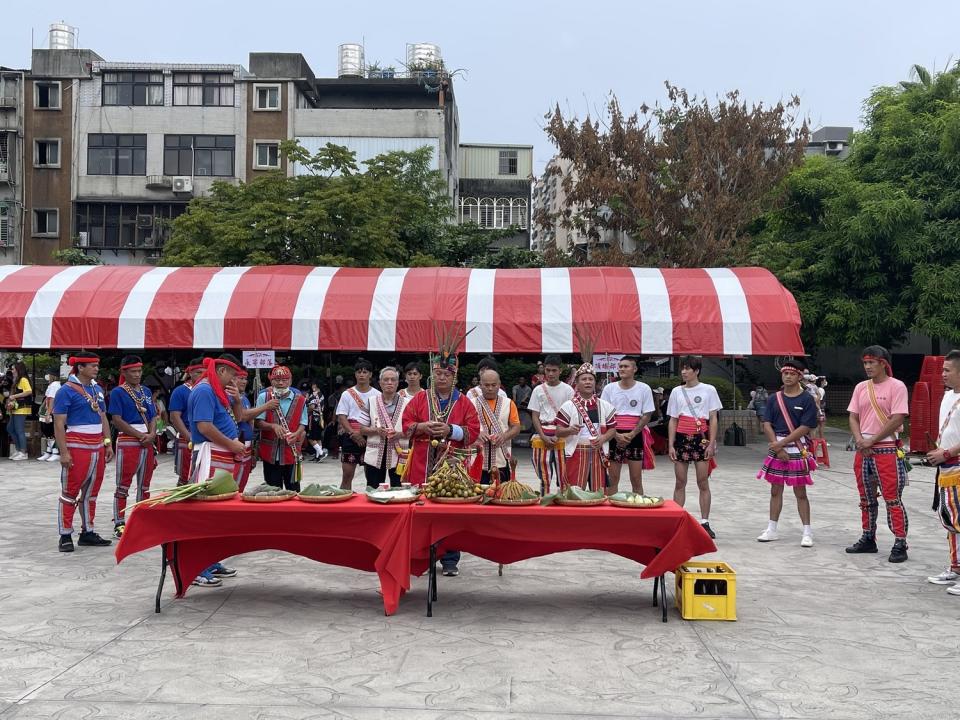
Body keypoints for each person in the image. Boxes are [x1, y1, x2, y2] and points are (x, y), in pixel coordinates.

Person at [402, 338, 480, 576]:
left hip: (453, 460)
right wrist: (423, 427)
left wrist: (451, 430)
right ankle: (421, 558)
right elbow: (406, 426)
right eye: (437, 373)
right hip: (422, 459)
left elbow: (474, 431)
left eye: (446, 374)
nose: (442, 377)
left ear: (454, 375)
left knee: (450, 511)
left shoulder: (464, 402)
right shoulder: (420, 399)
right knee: (421, 509)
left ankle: (449, 559)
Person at [846, 345, 910, 562]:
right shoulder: (861, 387)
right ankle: (868, 537)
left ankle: (900, 541)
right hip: (863, 449)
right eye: (865, 363)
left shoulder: (897, 386)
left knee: (892, 498)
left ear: (883, 363)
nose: (867, 367)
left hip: (886, 448)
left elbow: (898, 418)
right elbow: (853, 416)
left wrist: (871, 440)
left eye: (871, 362)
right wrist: (859, 440)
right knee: (865, 497)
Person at [186, 354, 244, 587]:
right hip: (211, 454)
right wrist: (231, 444)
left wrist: (238, 400)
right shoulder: (204, 390)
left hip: (222, 454)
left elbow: (237, 420)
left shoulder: (218, 392)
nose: (234, 380)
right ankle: (196, 567)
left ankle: (210, 560)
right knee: (205, 511)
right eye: (232, 374)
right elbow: (204, 426)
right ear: (221, 371)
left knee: (217, 512)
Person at [52, 353, 114, 552]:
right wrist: (63, 452)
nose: (96, 368)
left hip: (97, 445)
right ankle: (65, 534)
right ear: (80, 367)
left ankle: (87, 531)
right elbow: (59, 423)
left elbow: (103, 416)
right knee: (70, 491)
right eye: (92, 365)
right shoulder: (66, 391)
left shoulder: (97, 388)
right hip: (77, 444)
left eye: (97, 365)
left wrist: (108, 442)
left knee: (91, 493)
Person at [755, 358, 817, 547]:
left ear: (799, 376)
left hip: (796, 447)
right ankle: (771, 528)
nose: (788, 376)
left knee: (800, 491)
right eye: (785, 373)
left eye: (792, 374)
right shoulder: (775, 398)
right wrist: (777, 445)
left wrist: (781, 444)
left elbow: (806, 426)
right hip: (777, 445)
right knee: (775, 490)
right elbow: (766, 423)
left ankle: (807, 531)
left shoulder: (807, 399)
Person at [667, 356, 722, 539]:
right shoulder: (676, 391)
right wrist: (671, 444)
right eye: (682, 369)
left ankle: (704, 522)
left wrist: (712, 443)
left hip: (701, 439)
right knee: (680, 481)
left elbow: (713, 418)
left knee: (702, 481)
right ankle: (675, 519)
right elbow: (673, 419)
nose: (683, 372)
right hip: (682, 438)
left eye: (687, 369)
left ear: (696, 371)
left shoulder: (709, 390)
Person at [108, 356, 158, 538]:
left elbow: (153, 416)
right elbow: (117, 420)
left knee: (145, 485)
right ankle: (119, 522)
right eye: (133, 372)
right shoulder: (118, 392)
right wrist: (140, 436)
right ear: (124, 372)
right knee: (123, 485)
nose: (137, 375)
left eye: (139, 371)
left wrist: (152, 435)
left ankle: (142, 519)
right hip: (129, 440)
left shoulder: (145, 390)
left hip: (147, 439)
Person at [926, 350, 960, 594]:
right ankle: (956, 567)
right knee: (949, 519)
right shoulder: (947, 396)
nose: (943, 374)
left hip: (956, 464)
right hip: (945, 468)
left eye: (948, 370)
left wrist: (946, 453)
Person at [554, 360, 617, 493]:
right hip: (576, 452)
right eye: (584, 379)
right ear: (577, 383)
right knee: (574, 493)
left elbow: (613, 429)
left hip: (598, 453)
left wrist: (604, 438)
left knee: (599, 493)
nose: (588, 382)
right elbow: (558, 431)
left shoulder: (604, 406)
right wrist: (569, 430)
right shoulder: (568, 406)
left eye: (590, 379)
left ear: (595, 383)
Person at [600, 356, 655, 495]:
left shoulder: (644, 388)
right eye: (620, 366)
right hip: (613, 434)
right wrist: (616, 435)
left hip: (634, 436)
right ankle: (609, 513)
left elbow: (647, 415)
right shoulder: (609, 388)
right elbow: (603, 415)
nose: (622, 369)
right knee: (612, 478)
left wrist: (632, 434)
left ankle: (638, 511)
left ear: (634, 369)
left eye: (626, 366)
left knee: (636, 479)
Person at [255, 365, 308, 492]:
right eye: (277, 379)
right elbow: (258, 422)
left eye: (284, 379)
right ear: (271, 380)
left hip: (291, 452)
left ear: (290, 380)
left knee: (294, 491)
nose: (280, 383)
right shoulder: (264, 397)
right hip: (270, 454)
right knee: (273, 491)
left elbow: (303, 422)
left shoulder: (300, 399)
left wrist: (297, 433)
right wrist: (272, 426)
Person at [528, 354, 574, 494]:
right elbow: (535, 415)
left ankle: (564, 505)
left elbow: (572, 415)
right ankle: (544, 503)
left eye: (554, 370)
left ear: (560, 371)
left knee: (564, 475)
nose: (550, 373)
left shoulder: (568, 390)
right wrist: (542, 436)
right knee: (544, 475)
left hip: (562, 435)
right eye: (548, 370)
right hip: (542, 433)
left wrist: (558, 434)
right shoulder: (538, 390)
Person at [361, 366, 411, 488]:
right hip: (375, 454)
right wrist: (376, 430)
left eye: (393, 380)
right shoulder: (370, 401)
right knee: (373, 489)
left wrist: (398, 434)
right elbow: (362, 428)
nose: (389, 382)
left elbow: (413, 430)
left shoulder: (408, 403)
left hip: (399, 454)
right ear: (380, 383)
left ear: (398, 383)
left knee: (399, 490)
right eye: (386, 379)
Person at [336, 359, 381, 490]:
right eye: (359, 372)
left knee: (372, 476)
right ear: (355, 374)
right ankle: (343, 502)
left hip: (371, 436)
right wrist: (352, 434)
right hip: (350, 436)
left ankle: (371, 503)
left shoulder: (377, 394)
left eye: (365, 372)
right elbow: (342, 416)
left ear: (370, 375)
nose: (362, 375)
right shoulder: (347, 394)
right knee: (347, 475)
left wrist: (365, 432)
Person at [471, 368, 522, 484]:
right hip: (477, 459)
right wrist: (477, 433)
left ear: (499, 385)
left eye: (494, 385)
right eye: (486, 385)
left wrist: (504, 436)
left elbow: (516, 427)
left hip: (502, 459)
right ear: (480, 385)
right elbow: (464, 427)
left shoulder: (508, 403)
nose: (490, 388)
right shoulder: (471, 403)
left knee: (502, 496)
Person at [168, 358, 204, 485]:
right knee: (185, 477)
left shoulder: (208, 389)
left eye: (205, 372)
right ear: (190, 373)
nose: (202, 375)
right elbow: (174, 417)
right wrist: (189, 437)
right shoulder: (180, 391)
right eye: (198, 372)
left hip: (206, 436)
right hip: (187, 437)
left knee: (202, 477)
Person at [5, 361, 32, 460]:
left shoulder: (23, 379)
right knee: (10, 428)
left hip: (22, 408)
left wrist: (14, 396)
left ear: (18, 369)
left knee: (19, 430)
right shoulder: (17, 380)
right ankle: (19, 450)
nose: (12, 371)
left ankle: (23, 452)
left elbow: (29, 391)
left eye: (13, 369)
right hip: (16, 408)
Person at [38, 369, 62, 462]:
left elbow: (52, 399)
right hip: (48, 409)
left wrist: (48, 413)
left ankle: (55, 452)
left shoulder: (55, 385)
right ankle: (49, 451)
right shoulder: (52, 385)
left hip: (52, 410)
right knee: (46, 431)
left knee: (50, 431)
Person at [306, 381, 328, 461]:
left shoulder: (314, 395)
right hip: (320, 417)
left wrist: (306, 411)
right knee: (318, 438)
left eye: (312, 384)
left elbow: (312, 407)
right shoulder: (321, 395)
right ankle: (318, 456)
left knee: (310, 437)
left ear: (315, 385)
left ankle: (321, 453)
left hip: (313, 417)